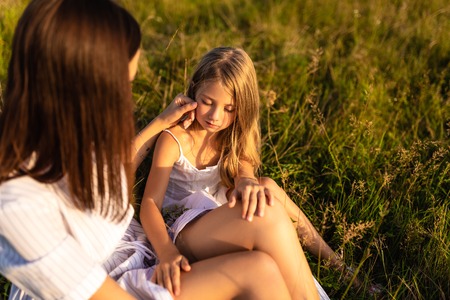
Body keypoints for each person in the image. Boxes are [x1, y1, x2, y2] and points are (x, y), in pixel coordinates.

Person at [0, 1, 296, 299]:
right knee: (259, 273)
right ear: (80, 86)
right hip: (112, 287)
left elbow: (110, 178)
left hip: (136, 256)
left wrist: (159, 123)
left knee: (262, 268)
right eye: (121, 85)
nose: (126, 101)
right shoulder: (18, 207)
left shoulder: (67, 137)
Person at [140, 47, 323, 300]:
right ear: (194, 90)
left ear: (242, 109)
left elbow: (243, 166)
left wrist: (246, 180)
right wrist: (167, 252)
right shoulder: (174, 139)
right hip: (180, 230)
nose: (216, 116)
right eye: (207, 102)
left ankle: (336, 264)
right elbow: (149, 203)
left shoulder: (230, 135)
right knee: (266, 211)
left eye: (229, 108)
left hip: (215, 219)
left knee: (266, 188)